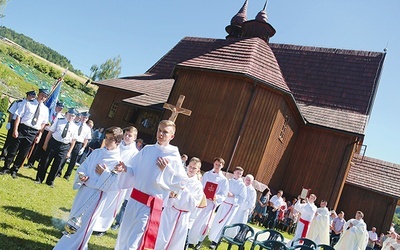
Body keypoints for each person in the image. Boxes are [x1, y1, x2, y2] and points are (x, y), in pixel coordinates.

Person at [115, 120, 188, 250]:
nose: (160, 134)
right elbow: (134, 170)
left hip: (149, 204)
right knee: (124, 234)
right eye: (159, 130)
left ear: (172, 136)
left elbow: (181, 182)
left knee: (135, 240)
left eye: (165, 132)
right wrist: (125, 169)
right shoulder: (147, 150)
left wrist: (165, 171)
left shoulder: (173, 155)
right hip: (134, 199)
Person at [53, 126, 124, 250]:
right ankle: (66, 245)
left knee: (84, 224)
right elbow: (83, 167)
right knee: (74, 218)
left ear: (117, 141)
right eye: (106, 138)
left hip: (97, 195)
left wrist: (105, 173)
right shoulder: (97, 152)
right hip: (84, 190)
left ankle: (76, 247)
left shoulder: (118, 161)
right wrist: (83, 176)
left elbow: (114, 185)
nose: (106, 141)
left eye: (111, 139)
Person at [93, 126, 139, 235]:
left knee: (111, 205)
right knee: (101, 200)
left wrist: (124, 169)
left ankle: (102, 227)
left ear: (135, 138)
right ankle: (94, 223)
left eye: (130, 135)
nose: (127, 137)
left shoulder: (136, 153)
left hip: (120, 182)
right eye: (126, 134)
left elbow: (134, 170)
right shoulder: (117, 145)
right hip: (106, 176)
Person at [155, 157, 203, 250]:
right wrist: (170, 196)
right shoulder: (179, 177)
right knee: (161, 237)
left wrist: (183, 189)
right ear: (187, 166)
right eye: (190, 166)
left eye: (194, 168)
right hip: (170, 211)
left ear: (198, 170)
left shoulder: (198, 186)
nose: (191, 169)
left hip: (183, 215)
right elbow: (167, 188)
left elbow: (193, 204)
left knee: (175, 242)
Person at [0, 88, 49, 178]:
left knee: (23, 153)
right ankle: (6, 167)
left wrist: (39, 135)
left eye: (45, 96)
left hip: (33, 132)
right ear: (38, 94)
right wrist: (15, 129)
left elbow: (43, 124)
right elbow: (18, 116)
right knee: (13, 150)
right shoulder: (27, 103)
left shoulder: (46, 110)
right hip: (22, 128)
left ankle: (14, 170)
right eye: (42, 95)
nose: (43, 97)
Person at [187, 157, 229, 250]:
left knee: (205, 223)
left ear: (222, 166)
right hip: (202, 200)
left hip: (210, 203)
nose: (217, 166)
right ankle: (191, 240)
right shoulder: (207, 174)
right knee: (195, 219)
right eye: (216, 164)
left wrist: (216, 197)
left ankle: (199, 241)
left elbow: (224, 194)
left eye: (219, 165)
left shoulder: (224, 180)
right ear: (213, 164)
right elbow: (201, 186)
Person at [35, 108, 78, 187]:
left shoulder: (75, 127)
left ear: (75, 117)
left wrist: (69, 152)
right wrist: (45, 144)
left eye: (72, 116)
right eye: (69, 115)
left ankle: (50, 181)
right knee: (45, 161)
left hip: (64, 146)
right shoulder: (59, 120)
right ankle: (39, 179)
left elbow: (73, 141)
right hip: (54, 143)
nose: (70, 117)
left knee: (57, 165)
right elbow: (50, 132)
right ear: (66, 114)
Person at [208, 166, 247, 249]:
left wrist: (233, 196)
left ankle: (216, 241)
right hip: (224, 204)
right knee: (217, 221)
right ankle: (212, 237)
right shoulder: (228, 181)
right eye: (237, 173)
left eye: (240, 174)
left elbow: (242, 198)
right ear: (234, 172)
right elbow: (222, 190)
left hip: (231, 207)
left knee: (224, 224)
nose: (239, 175)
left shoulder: (242, 186)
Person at [24, 100, 64, 169]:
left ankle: (40, 165)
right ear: (56, 106)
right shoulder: (49, 112)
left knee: (46, 150)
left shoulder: (61, 117)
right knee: (37, 147)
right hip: (44, 131)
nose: (60, 109)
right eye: (59, 107)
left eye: (61, 108)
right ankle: (30, 162)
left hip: (51, 134)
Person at [0, 90, 36, 161]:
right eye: (32, 96)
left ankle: (10, 156)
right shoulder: (19, 102)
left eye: (34, 96)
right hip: (14, 122)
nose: (33, 98)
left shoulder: (33, 105)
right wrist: (9, 122)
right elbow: (11, 113)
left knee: (16, 142)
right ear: (27, 95)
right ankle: (3, 155)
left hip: (22, 124)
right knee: (9, 139)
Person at [62, 111, 92, 180]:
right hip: (71, 141)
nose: (84, 119)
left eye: (86, 118)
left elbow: (86, 139)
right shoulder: (75, 124)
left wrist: (83, 148)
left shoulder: (87, 128)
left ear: (87, 119)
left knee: (73, 160)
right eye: (83, 117)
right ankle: (59, 171)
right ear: (81, 116)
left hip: (79, 143)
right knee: (65, 156)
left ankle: (67, 175)